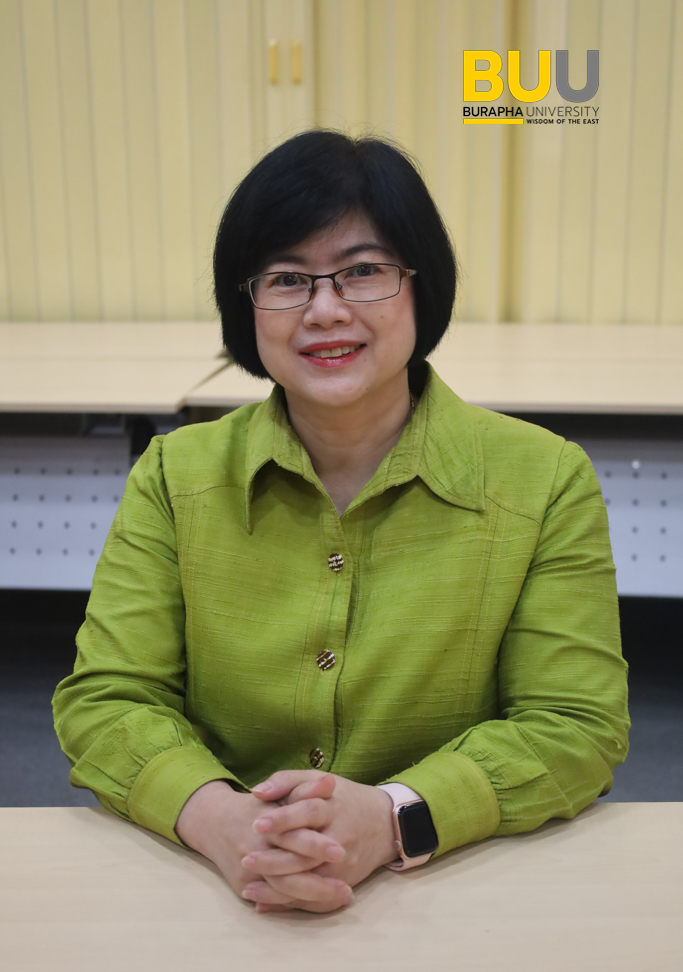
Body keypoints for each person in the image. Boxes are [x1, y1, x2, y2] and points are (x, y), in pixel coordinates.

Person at [53, 131, 629, 914]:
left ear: (420, 287)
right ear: (245, 304)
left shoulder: (543, 479)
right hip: (217, 890)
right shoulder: (174, 475)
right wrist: (225, 822)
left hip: (452, 891)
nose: (324, 310)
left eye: (363, 271)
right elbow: (108, 700)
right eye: (287, 279)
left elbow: (574, 725)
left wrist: (393, 818)